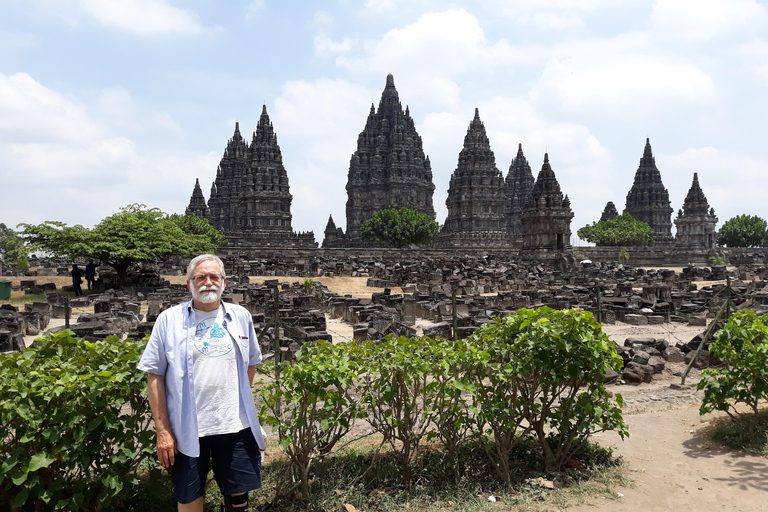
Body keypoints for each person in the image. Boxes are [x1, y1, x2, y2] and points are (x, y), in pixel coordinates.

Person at [138, 254, 266, 512]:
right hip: (187, 427)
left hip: (235, 424)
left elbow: (251, 362)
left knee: (238, 494)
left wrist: (235, 397)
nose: (208, 282)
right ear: (189, 284)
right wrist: (162, 430)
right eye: (200, 277)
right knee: (189, 494)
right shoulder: (169, 320)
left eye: (214, 277)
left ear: (224, 282)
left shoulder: (240, 316)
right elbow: (154, 374)